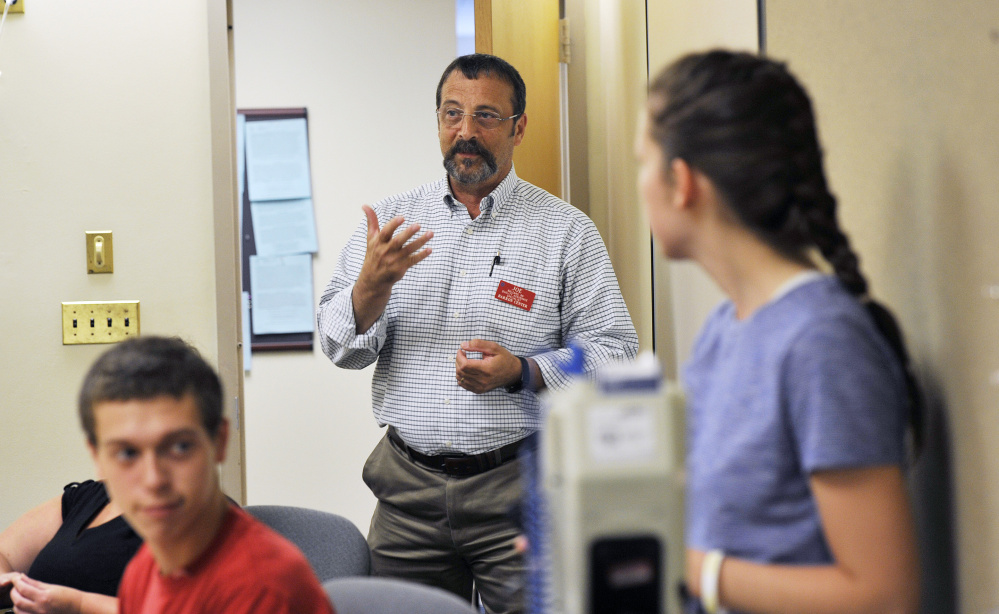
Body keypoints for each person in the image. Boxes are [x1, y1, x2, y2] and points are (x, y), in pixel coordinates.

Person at [317, 53, 638, 613]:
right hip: (407, 491)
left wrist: (524, 370)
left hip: (519, 485)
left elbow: (614, 353)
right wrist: (371, 286)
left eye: (486, 116)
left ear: (519, 127)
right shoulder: (390, 224)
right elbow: (339, 348)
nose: (466, 132)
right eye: (452, 114)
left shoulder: (564, 230)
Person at [636, 49, 921, 613]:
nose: (639, 182)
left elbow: (884, 596)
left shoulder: (823, 343)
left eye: (642, 161)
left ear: (681, 181)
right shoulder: (725, 328)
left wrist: (693, 569)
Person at [78, 336, 335, 614]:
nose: (154, 479)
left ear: (220, 441)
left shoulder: (263, 588)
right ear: (97, 458)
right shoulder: (145, 568)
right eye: (127, 454)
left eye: (180, 447)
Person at [0, 481, 141, 614]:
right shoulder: (87, 497)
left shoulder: (157, 521)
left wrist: (79, 605)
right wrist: (6, 582)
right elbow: (4, 554)